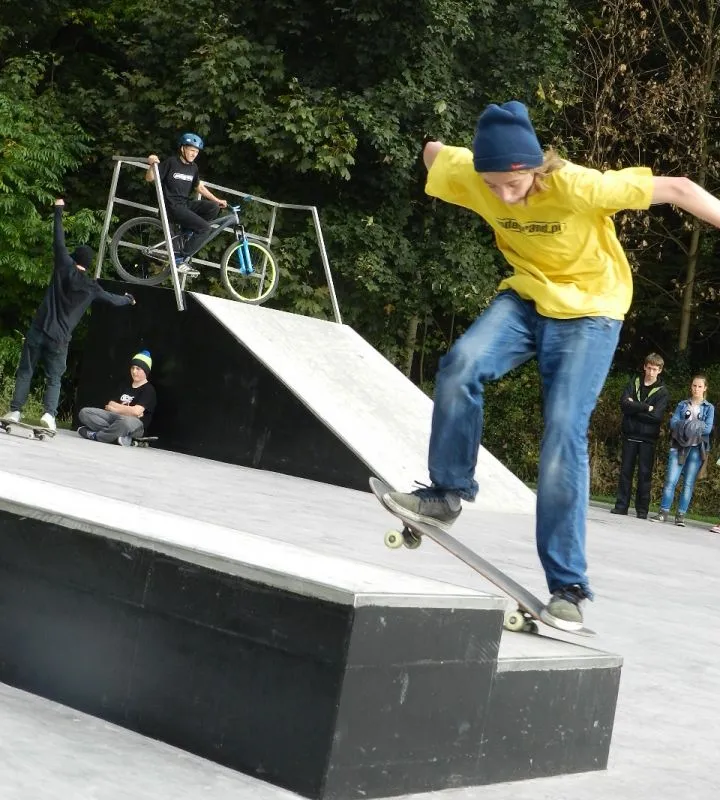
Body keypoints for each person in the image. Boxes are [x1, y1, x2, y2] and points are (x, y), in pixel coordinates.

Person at [383, 100, 720, 631]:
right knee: (460, 364)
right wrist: (434, 149)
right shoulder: (474, 174)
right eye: (491, 185)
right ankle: (447, 493)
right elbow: (432, 153)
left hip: (591, 312)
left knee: (564, 428)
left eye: (511, 184)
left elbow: (677, 188)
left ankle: (568, 586)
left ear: (535, 167)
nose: (501, 195)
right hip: (525, 301)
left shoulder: (580, 185)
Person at [3, 199, 135, 431]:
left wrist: (58, 210)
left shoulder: (63, 265)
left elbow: (58, 240)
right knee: (54, 378)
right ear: (88, 264)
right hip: (59, 339)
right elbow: (113, 300)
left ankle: (15, 411)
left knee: (26, 371)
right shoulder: (92, 287)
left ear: (74, 258)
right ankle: (49, 416)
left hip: (38, 330)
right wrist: (128, 299)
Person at [145, 133, 231, 271]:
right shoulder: (171, 162)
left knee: (213, 207)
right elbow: (150, 178)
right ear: (182, 149)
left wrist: (217, 200)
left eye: (196, 151)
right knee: (205, 229)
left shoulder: (193, 168)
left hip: (184, 205)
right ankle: (180, 259)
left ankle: (187, 232)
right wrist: (152, 163)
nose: (194, 154)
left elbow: (199, 187)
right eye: (191, 150)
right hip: (171, 207)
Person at [650, 375, 714, 526]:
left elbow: (707, 429)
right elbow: (673, 424)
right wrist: (695, 426)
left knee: (688, 483)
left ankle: (680, 516)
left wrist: (684, 426)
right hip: (678, 446)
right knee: (670, 480)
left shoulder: (709, 408)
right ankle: (663, 512)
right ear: (691, 387)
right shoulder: (682, 404)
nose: (696, 389)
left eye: (699, 386)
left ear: (705, 388)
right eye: (694, 385)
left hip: (697, 449)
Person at [611, 353, 669, 519]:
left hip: (648, 439)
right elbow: (624, 405)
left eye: (655, 369)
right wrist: (645, 407)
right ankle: (621, 506)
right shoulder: (634, 383)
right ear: (644, 367)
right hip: (630, 435)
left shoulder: (662, 392)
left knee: (644, 475)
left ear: (660, 370)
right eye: (649, 368)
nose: (651, 372)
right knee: (625, 472)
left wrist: (634, 408)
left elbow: (656, 417)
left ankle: (642, 510)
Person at [77, 350, 156, 446]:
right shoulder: (125, 385)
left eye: (138, 369)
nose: (134, 371)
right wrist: (128, 411)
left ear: (145, 371)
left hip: (134, 424)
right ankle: (120, 438)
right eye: (132, 368)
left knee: (124, 422)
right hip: (114, 419)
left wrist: (115, 409)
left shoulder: (148, 390)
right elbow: (111, 403)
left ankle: (96, 436)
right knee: (85, 413)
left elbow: (136, 412)